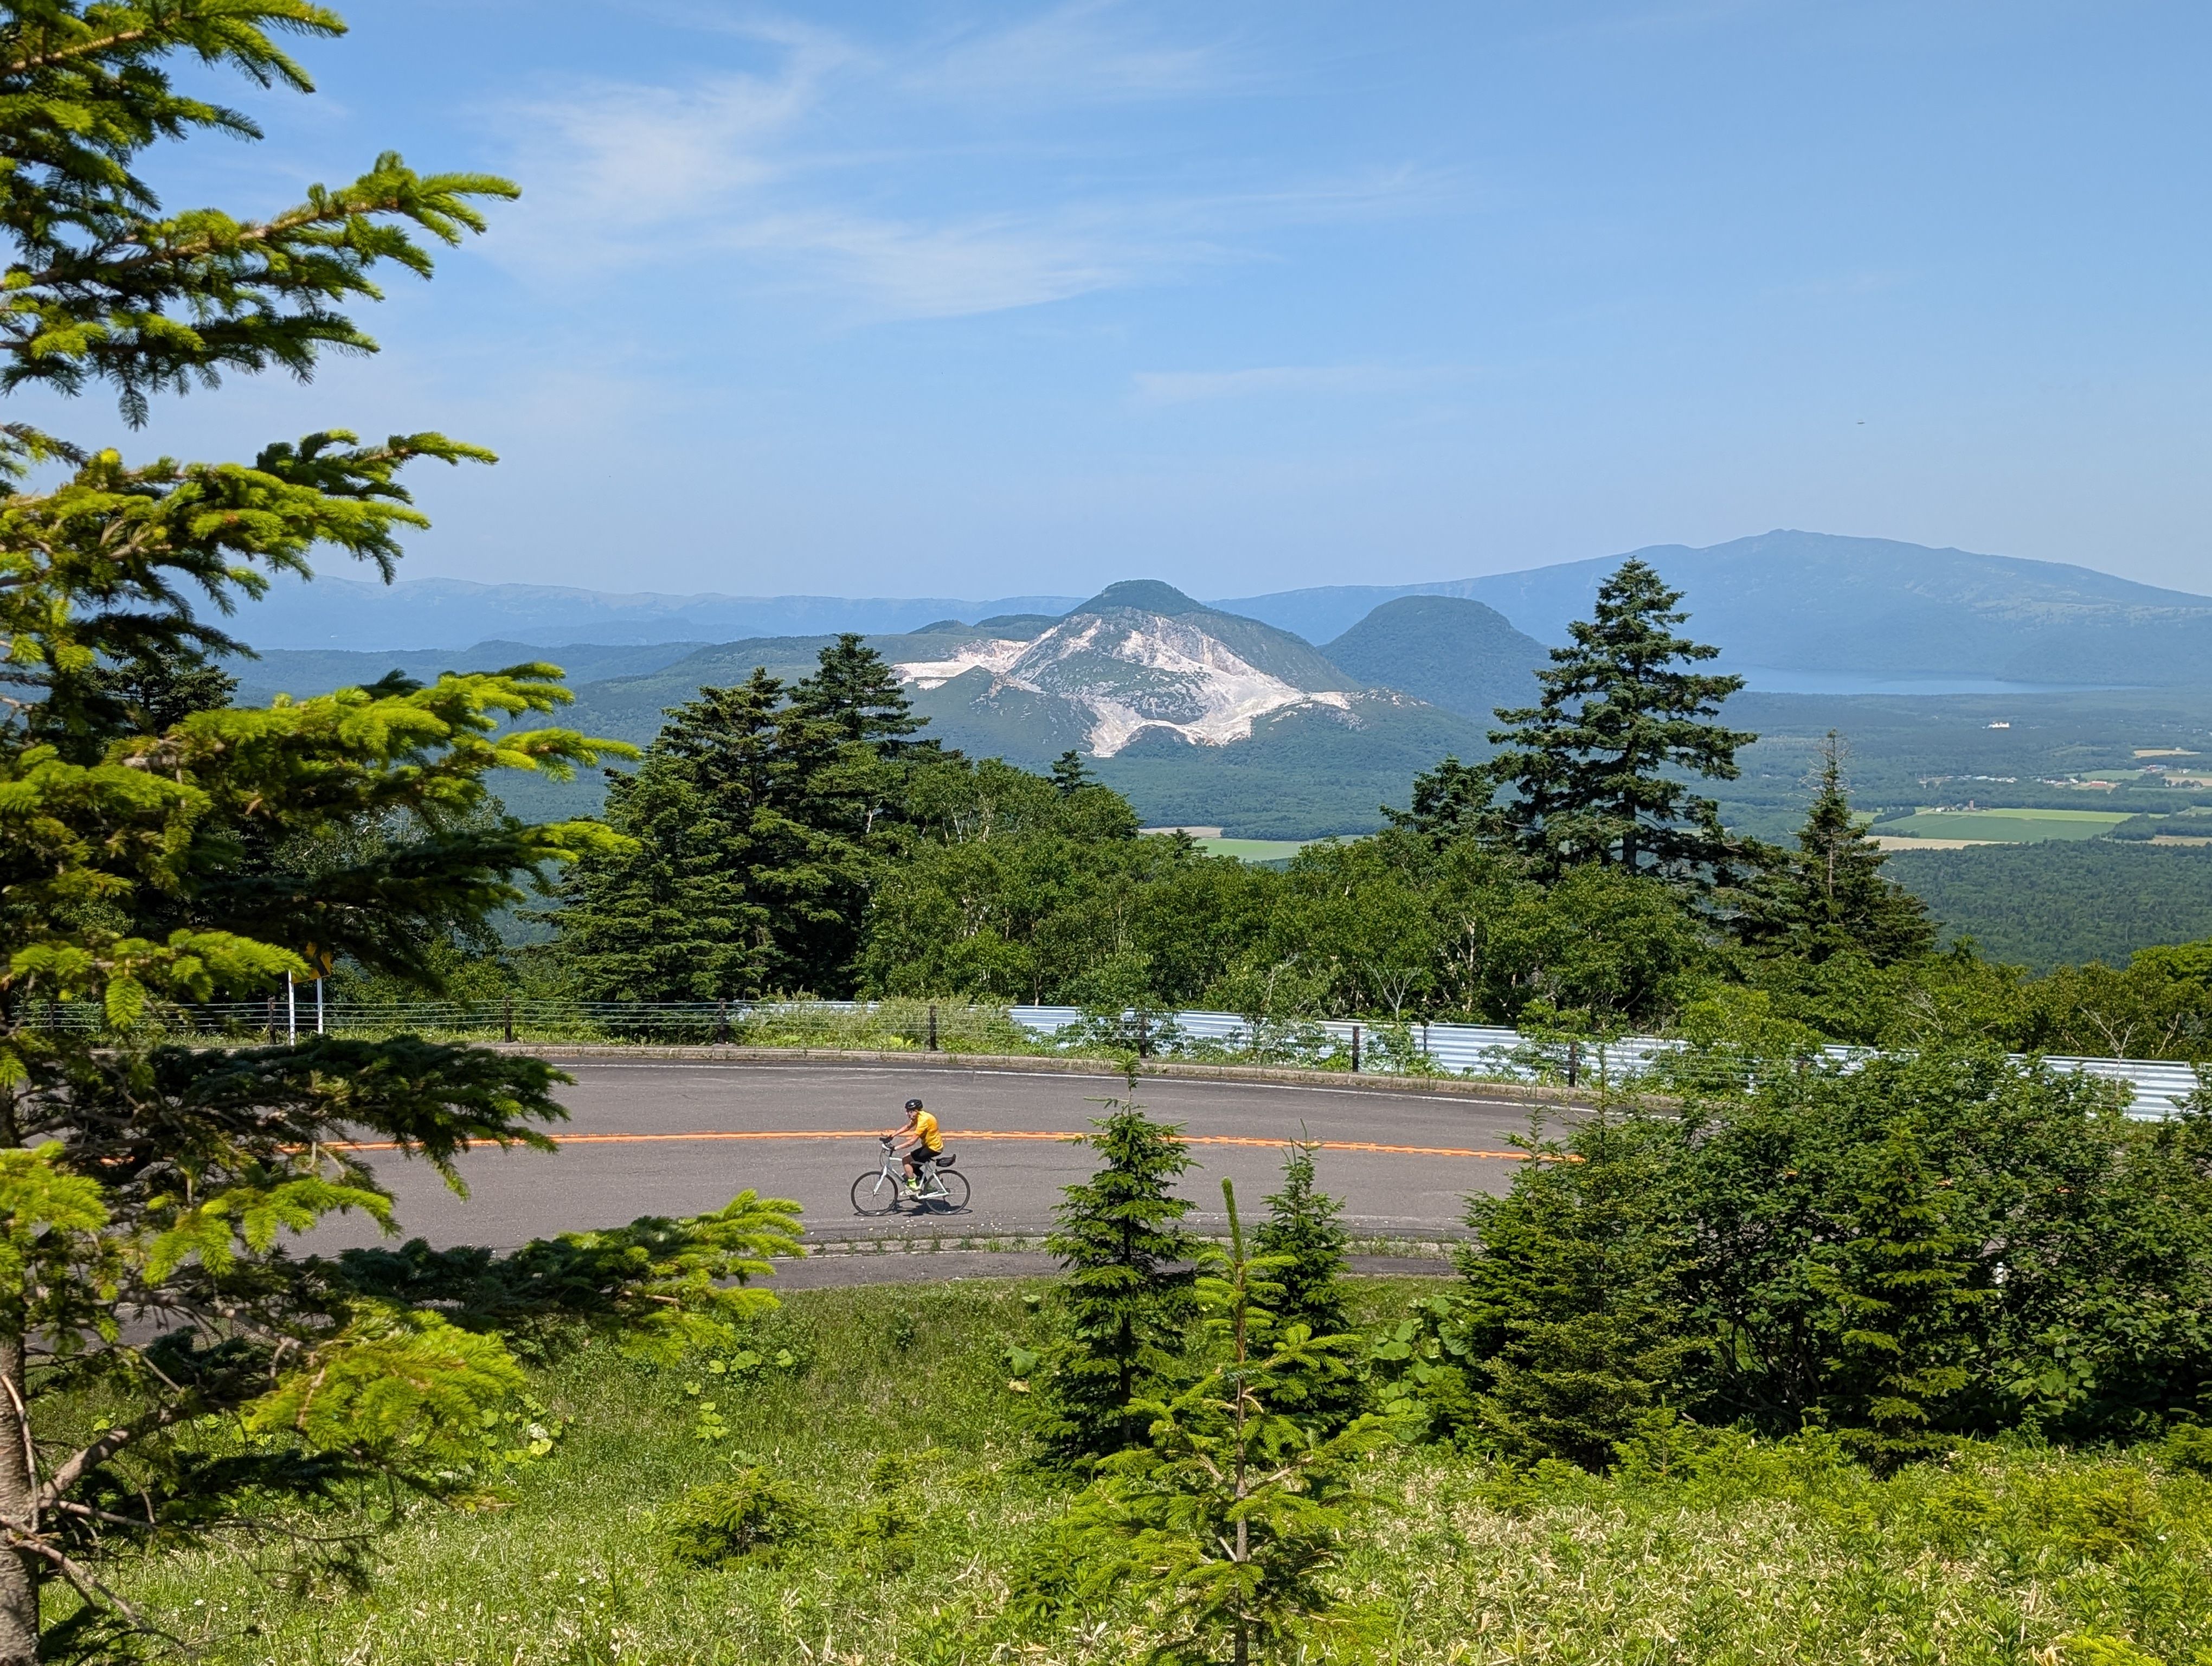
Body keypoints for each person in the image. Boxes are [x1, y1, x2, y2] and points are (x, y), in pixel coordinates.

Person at [888, 1097, 945, 1194]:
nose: (907, 1114)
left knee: (906, 1160)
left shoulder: (923, 1120)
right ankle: (929, 1187)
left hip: (933, 1148)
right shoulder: (918, 1116)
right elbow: (908, 1127)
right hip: (930, 1146)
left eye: (909, 1112)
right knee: (913, 1166)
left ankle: (913, 1188)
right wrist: (892, 1136)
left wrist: (896, 1148)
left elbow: (912, 1142)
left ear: (915, 1111)